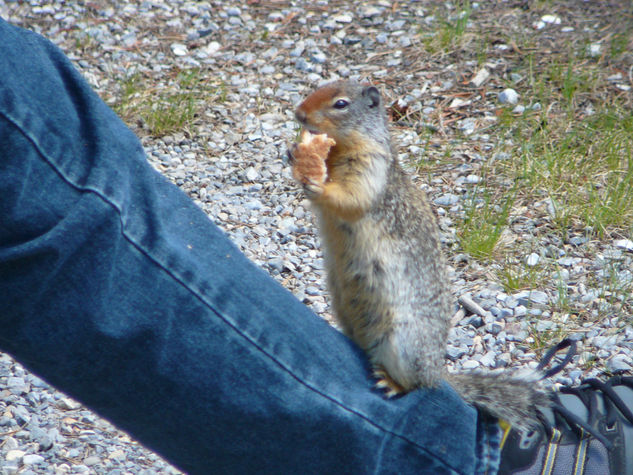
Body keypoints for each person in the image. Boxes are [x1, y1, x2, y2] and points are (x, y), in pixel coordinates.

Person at [1, 17, 631, 475]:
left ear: (369, 111)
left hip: (394, 298)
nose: (311, 120)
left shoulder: (375, 159)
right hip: (363, 280)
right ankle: (451, 456)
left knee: (32, 117)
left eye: (332, 111)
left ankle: (447, 437)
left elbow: (357, 201)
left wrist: (321, 184)